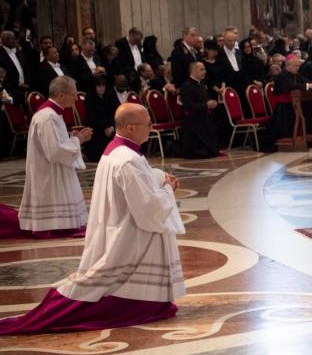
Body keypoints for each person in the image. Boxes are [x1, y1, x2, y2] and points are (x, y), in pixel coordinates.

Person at [0, 103, 185, 335]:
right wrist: (168, 189)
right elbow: (149, 209)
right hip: (130, 236)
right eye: (147, 124)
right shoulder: (128, 160)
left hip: (118, 225)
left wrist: (157, 178)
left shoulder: (117, 151)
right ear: (130, 127)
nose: (151, 127)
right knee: (109, 292)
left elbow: (136, 186)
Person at [0, 76, 92, 239]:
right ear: (61, 95)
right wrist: (77, 140)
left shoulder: (52, 114)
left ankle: (62, 223)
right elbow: (55, 152)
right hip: (48, 172)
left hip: (52, 169)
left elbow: (57, 145)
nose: (76, 98)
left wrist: (72, 139)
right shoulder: (48, 117)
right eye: (73, 94)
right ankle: (56, 226)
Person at [259, 54, 312, 151]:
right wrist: (309, 86)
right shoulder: (281, 75)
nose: (298, 67)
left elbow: (306, 82)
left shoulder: (296, 74)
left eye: (298, 65)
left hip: (295, 105)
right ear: (288, 65)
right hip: (284, 108)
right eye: (296, 65)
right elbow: (292, 86)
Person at [177, 62, 219, 158]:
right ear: (193, 71)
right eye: (202, 69)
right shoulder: (186, 86)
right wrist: (206, 105)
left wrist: (211, 103)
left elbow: (204, 101)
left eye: (204, 69)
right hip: (193, 122)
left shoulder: (201, 85)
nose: (205, 71)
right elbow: (188, 106)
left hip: (203, 118)